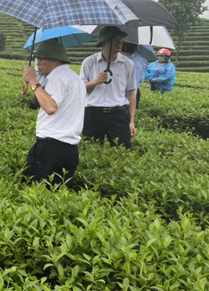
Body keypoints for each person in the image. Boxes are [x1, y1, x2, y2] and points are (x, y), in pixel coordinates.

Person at [22, 39, 86, 187]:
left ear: (56, 59)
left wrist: (33, 81)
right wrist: (32, 84)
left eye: (43, 58)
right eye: (38, 58)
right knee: (58, 196)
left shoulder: (58, 78)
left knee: (35, 192)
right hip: (70, 149)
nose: (38, 63)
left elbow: (50, 107)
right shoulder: (74, 77)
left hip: (51, 147)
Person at [79, 26, 137, 148]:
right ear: (104, 42)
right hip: (93, 114)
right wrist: (96, 81)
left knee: (122, 151)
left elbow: (131, 93)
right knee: (90, 151)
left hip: (118, 114)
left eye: (121, 39)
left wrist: (131, 121)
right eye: (116, 39)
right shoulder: (89, 62)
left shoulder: (128, 64)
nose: (120, 43)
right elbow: (80, 89)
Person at [121, 42, 148, 108]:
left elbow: (133, 87)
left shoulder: (136, 63)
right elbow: (140, 79)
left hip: (129, 93)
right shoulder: (140, 60)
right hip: (130, 92)